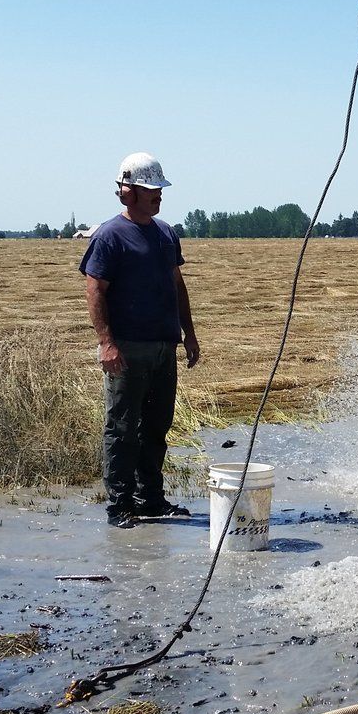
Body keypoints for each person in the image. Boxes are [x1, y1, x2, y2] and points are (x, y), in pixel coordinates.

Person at [80, 152, 201, 527]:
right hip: (127, 350)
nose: (158, 197)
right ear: (127, 192)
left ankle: (150, 499)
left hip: (164, 346)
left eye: (159, 190)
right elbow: (95, 290)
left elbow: (177, 286)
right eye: (151, 190)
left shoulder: (166, 233)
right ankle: (120, 505)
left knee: (156, 426)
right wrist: (107, 342)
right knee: (121, 427)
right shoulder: (109, 236)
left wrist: (189, 334)